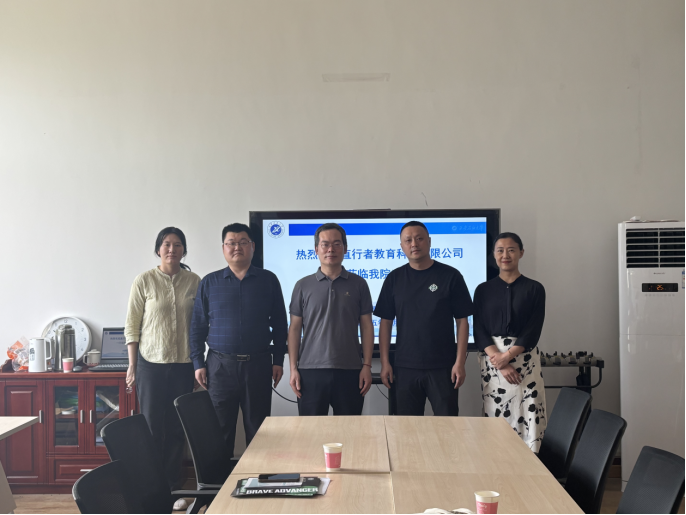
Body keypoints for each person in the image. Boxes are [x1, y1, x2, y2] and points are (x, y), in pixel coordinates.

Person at [190, 223, 287, 458]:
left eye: (243, 242)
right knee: (220, 431)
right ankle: (221, 480)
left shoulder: (268, 280)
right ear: (223, 248)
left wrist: (278, 361)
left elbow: (280, 325)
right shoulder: (209, 282)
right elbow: (197, 326)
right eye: (231, 243)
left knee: (259, 431)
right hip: (220, 367)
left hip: (258, 365)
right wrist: (198, 363)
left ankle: (258, 477)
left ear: (252, 246)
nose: (237, 247)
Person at [124, 227, 200, 511]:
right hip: (151, 365)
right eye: (166, 244)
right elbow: (132, 325)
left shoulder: (195, 281)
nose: (172, 249)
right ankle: (151, 489)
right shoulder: (144, 280)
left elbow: (200, 325)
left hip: (183, 365)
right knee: (153, 428)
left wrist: (199, 364)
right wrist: (132, 365)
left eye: (177, 245)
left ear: (184, 251)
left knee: (177, 429)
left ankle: (173, 487)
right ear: (158, 249)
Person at [374, 221, 473, 416]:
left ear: (429, 241)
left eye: (419, 238)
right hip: (405, 366)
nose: (414, 244)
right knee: (407, 427)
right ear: (401, 246)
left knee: (447, 425)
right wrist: (385, 362)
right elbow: (385, 323)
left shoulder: (450, 276)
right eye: (408, 240)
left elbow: (462, 321)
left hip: (443, 366)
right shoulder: (394, 278)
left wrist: (460, 362)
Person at [288, 223, 375, 416]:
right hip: (310, 371)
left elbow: (367, 327)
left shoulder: (359, 284)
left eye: (337, 244)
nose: (330, 249)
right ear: (316, 249)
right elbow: (294, 329)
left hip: (350, 370)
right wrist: (293, 368)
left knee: (349, 429)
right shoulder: (302, 285)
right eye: (325, 244)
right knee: (310, 430)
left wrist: (367, 366)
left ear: (345, 248)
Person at [473, 232, 547, 452]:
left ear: (521, 253)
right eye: (500, 250)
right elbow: (479, 329)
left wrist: (508, 356)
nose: (505, 255)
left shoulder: (535, 288)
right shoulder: (483, 290)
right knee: (496, 416)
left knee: (529, 412)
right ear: (493, 255)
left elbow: (533, 329)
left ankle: (532, 464)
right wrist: (501, 361)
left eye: (511, 250)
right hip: (493, 362)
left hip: (524, 361)